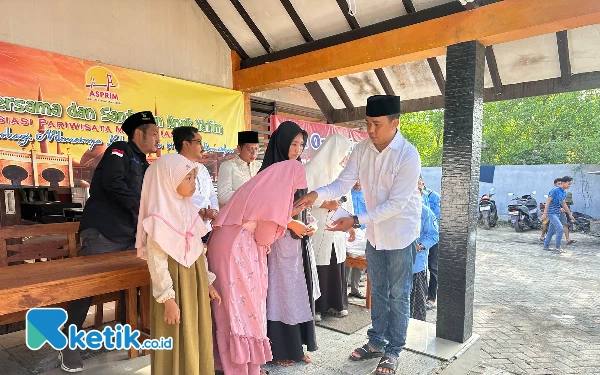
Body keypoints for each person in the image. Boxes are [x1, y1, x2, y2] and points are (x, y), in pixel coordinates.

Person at [294, 95, 421, 375]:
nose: (371, 130)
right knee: (377, 289)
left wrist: (354, 220)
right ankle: (376, 341)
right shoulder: (362, 148)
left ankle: (393, 349)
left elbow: (397, 205)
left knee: (398, 294)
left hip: (400, 234)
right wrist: (317, 193)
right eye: (367, 124)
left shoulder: (408, 155)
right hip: (376, 233)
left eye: (377, 124)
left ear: (394, 123)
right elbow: (343, 182)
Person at [59, 111, 159, 373]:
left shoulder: (146, 165)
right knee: (86, 288)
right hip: (104, 232)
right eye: (155, 134)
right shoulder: (119, 151)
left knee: (135, 283)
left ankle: (127, 333)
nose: (159, 139)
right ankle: (68, 342)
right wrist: (142, 207)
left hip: (129, 235)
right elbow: (113, 184)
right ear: (139, 133)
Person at [208, 160, 308, 375]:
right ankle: (242, 368)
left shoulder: (258, 186)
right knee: (245, 310)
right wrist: (284, 223)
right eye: (293, 186)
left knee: (228, 307)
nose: (293, 190)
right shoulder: (276, 195)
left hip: (226, 245)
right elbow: (264, 237)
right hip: (238, 250)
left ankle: (232, 365)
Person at [135, 153, 221, 375]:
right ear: (168, 180)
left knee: (196, 333)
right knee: (175, 333)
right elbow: (157, 263)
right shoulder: (157, 219)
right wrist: (168, 300)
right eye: (188, 179)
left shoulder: (188, 209)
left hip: (194, 282)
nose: (194, 184)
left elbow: (197, 250)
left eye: (194, 177)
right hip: (172, 285)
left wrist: (208, 282)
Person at [261, 121, 319, 367]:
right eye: (293, 144)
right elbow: (263, 213)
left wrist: (311, 223)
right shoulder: (268, 174)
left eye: (301, 145)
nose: (297, 149)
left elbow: (303, 205)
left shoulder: (297, 170)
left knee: (297, 295)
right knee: (280, 296)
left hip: (298, 243)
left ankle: (297, 347)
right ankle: (280, 349)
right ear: (281, 143)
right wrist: (289, 223)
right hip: (276, 245)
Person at [305, 134, 354, 321]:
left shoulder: (341, 173)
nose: (344, 156)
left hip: (337, 226)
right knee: (319, 264)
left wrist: (351, 223)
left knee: (336, 262)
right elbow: (301, 199)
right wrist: (325, 204)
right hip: (317, 225)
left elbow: (347, 200)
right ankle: (316, 307)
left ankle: (336, 304)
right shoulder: (309, 170)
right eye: (343, 152)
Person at [173, 126, 219, 242]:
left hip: (207, 228)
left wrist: (214, 212)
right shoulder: (174, 167)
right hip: (186, 230)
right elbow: (181, 197)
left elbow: (212, 195)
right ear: (186, 144)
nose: (202, 147)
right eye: (199, 142)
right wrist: (203, 211)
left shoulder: (202, 168)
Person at [217, 131, 261, 207]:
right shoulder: (228, 166)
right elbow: (222, 196)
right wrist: (247, 194)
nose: (254, 153)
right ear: (239, 148)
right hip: (236, 214)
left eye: (256, 149)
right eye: (250, 149)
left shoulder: (260, 166)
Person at [411, 202, 439, 322]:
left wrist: (421, 246)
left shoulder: (425, 212)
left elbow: (433, 235)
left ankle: (417, 331)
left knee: (417, 302)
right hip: (397, 263)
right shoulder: (397, 208)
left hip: (416, 264)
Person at [418, 176, 441, 311]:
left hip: (431, 237)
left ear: (423, 183)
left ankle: (431, 298)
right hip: (417, 240)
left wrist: (426, 242)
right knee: (420, 269)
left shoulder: (433, 197)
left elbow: (437, 219)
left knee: (433, 268)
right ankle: (422, 296)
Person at [541, 176, 575, 254]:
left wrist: (570, 214)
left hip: (557, 213)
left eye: (570, 184)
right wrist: (544, 213)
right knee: (560, 228)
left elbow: (563, 203)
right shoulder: (555, 190)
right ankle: (558, 246)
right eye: (568, 184)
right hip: (551, 213)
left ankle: (546, 246)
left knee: (551, 231)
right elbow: (548, 201)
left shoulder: (563, 192)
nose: (569, 185)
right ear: (563, 182)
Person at [347, 181, 367, 299]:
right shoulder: (347, 194)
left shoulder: (366, 193)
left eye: (360, 179)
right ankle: (342, 290)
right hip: (348, 231)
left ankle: (355, 289)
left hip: (363, 230)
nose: (358, 182)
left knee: (360, 261)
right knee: (347, 261)